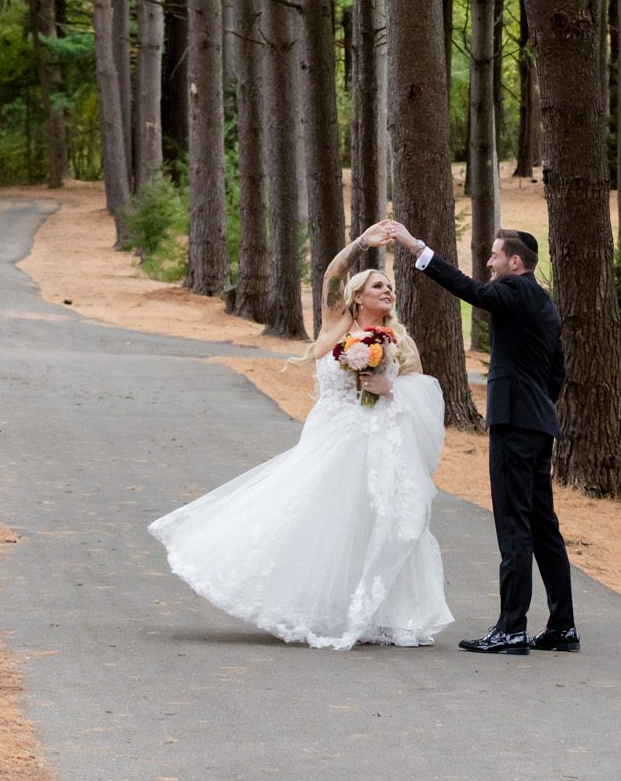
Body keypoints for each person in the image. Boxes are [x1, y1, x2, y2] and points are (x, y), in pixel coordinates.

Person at [147, 227, 452, 650]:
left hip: (380, 440)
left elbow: (425, 393)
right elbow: (332, 273)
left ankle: (383, 614)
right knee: (320, 519)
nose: (387, 292)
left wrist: (391, 388)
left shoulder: (400, 340)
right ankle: (314, 605)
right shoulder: (336, 323)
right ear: (359, 296)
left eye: (390, 288)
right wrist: (363, 242)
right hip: (332, 437)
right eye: (378, 285)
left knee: (385, 522)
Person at [382, 219, 579, 656]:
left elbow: (470, 290)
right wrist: (538, 406)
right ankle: (562, 627)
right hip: (538, 424)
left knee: (514, 526)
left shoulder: (514, 291)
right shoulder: (544, 304)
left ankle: (511, 629)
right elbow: (557, 371)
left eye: (493, 256)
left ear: (514, 261)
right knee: (543, 526)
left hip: (514, 423)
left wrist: (417, 248)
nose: (488, 263)